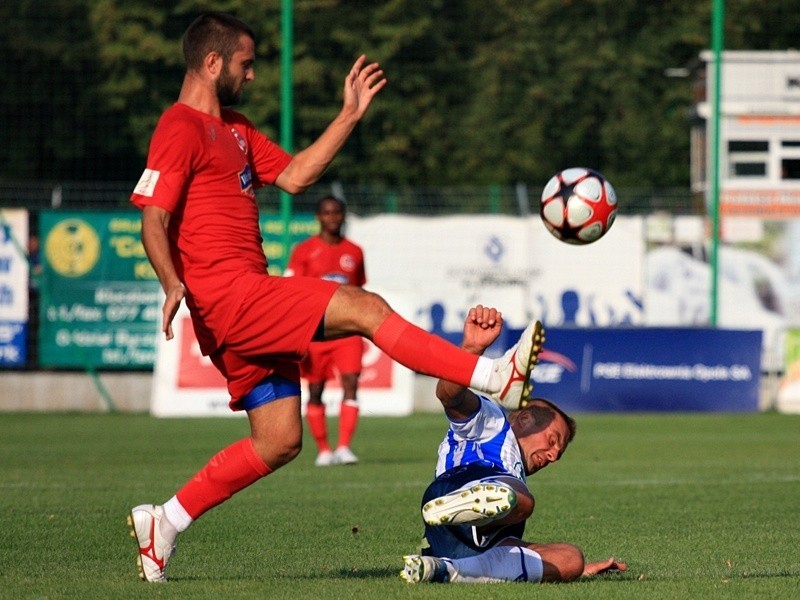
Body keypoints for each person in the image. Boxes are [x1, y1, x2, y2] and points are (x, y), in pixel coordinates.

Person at [126, 12, 545, 583]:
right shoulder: (179, 128)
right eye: (246, 65)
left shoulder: (237, 130)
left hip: (241, 303)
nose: (251, 76)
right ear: (212, 62)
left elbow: (296, 175)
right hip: (231, 296)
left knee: (278, 440)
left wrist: (349, 115)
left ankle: (166, 521)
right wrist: (171, 280)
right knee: (363, 307)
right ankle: (492, 376)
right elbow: (154, 220)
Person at [401, 305, 627, 584]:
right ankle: (465, 505)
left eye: (560, 452)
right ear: (525, 418)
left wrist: (572, 570)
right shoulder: (493, 420)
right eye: (553, 440)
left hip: (465, 545)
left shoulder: (514, 471)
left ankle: (446, 569)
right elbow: (449, 396)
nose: (554, 455)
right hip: (453, 487)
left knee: (570, 559)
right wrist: (470, 350)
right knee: (520, 499)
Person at [285, 196, 366, 466]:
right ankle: (323, 449)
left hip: (347, 332)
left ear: (343, 216)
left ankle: (344, 447)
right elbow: (292, 290)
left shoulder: (354, 251)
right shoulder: (304, 250)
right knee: (316, 390)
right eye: (327, 213)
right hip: (315, 333)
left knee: (351, 383)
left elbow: (359, 290)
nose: (332, 218)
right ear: (318, 217)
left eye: (337, 213)